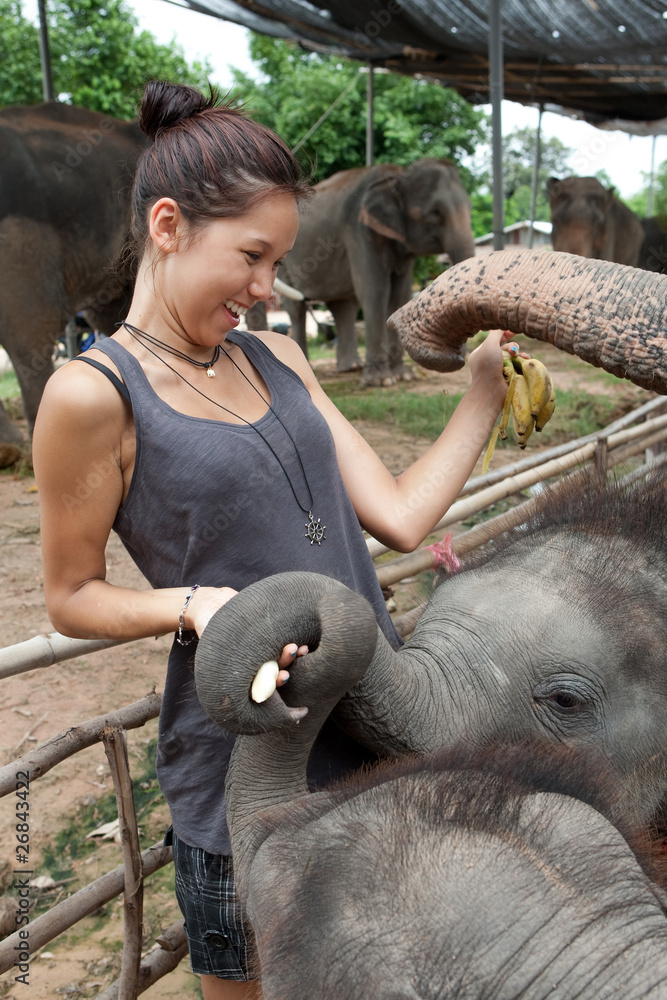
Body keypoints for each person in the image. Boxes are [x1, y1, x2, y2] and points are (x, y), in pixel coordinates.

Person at [33, 81, 515, 1000]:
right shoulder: (94, 397)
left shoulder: (277, 356)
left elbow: (401, 518)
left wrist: (483, 391)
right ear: (168, 226)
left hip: (375, 726)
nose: (266, 288)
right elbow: (70, 596)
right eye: (252, 257)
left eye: (277, 260)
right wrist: (198, 605)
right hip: (244, 766)